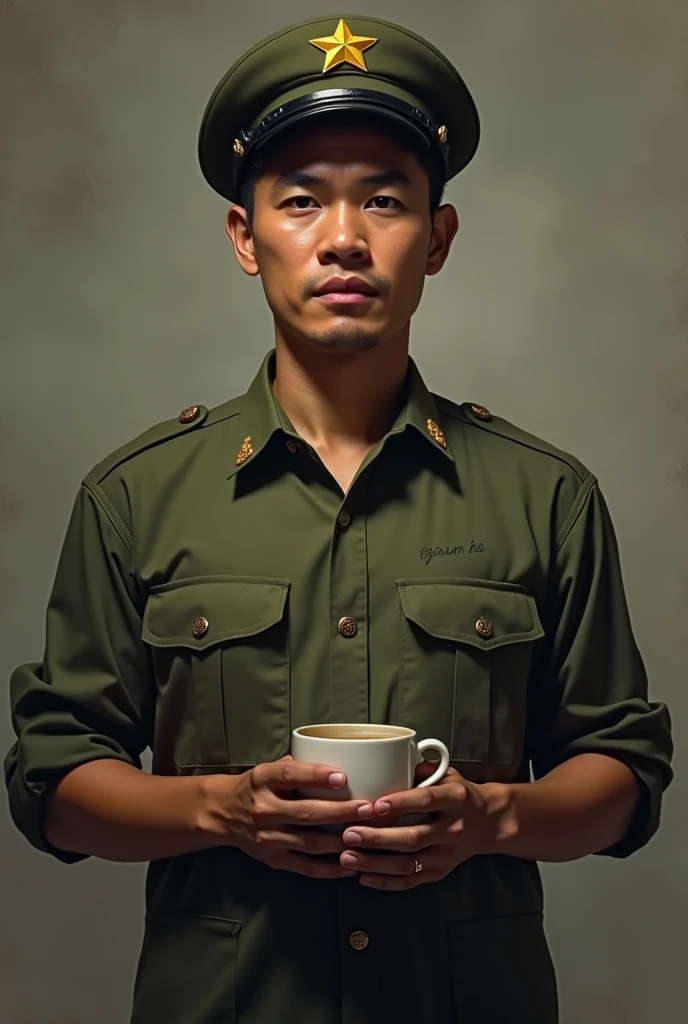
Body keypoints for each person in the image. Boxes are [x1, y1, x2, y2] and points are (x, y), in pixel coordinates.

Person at [4, 14, 673, 1024]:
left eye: (386, 200)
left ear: (436, 239)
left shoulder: (547, 495)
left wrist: (492, 816)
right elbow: (51, 779)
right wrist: (214, 809)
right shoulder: (135, 494)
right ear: (245, 235)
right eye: (303, 200)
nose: (345, 238)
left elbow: (623, 771)